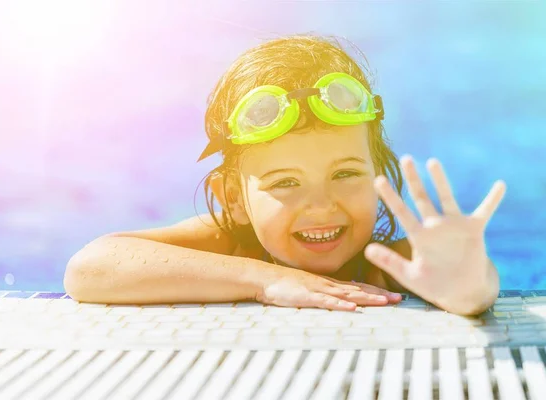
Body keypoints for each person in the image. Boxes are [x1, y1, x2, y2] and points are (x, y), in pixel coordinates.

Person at [64, 35, 505, 316]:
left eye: (346, 173)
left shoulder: (387, 264)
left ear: (377, 176)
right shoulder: (233, 244)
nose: (321, 205)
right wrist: (266, 279)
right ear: (234, 198)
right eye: (286, 183)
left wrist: (467, 284)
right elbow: (89, 268)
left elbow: (469, 291)